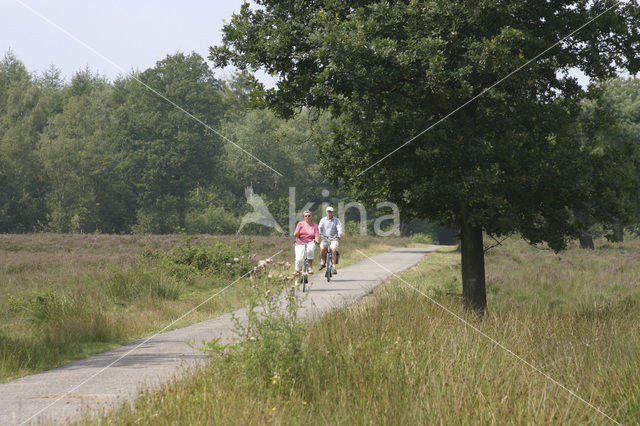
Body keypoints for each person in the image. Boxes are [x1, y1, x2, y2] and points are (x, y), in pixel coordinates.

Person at [293, 210, 320, 275]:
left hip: (310, 242)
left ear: (311, 217)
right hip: (300, 242)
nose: (307, 217)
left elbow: (317, 235)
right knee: (299, 259)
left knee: (310, 251)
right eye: (306, 216)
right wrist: (299, 229)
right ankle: (297, 272)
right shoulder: (300, 224)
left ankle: (310, 267)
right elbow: (295, 235)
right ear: (304, 217)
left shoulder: (315, 225)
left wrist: (317, 240)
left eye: (309, 216)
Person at [318, 206, 343, 274]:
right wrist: (319, 234)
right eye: (328, 211)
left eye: (331, 212)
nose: (329, 213)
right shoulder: (323, 220)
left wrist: (340, 234)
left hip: (333, 238)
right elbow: (319, 228)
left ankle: (334, 267)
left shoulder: (336, 220)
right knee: (322, 248)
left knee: (333, 249)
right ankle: (322, 262)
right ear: (326, 212)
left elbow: (339, 228)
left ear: (333, 212)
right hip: (325, 238)